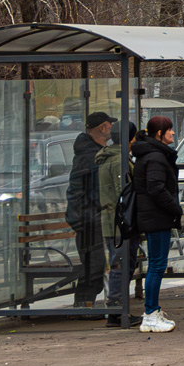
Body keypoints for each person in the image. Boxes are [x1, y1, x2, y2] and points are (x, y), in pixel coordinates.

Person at [132, 116, 181, 333]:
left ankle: (152, 311)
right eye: (169, 130)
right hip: (157, 217)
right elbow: (155, 188)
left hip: (154, 216)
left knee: (157, 264)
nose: (172, 134)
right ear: (159, 134)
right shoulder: (155, 157)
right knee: (157, 265)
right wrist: (175, 208)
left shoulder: (152, 155)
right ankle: (151, 313)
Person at [65, 111, 112, 308]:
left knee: (96, 264)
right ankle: (83, 303)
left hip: (94, 217)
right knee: (94, 264)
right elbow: (76, 189)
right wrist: (80, 218)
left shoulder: (95, 152)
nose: (112, 128)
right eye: (110, 125)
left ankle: (85, 304)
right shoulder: (89, 156)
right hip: (88, 220)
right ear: (102, 127)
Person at [97, 121, 138, 327]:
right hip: (118, 223)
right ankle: (116, 311)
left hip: (114, 221)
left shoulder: (112, 157)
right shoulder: (118, 161)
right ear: (129, 137)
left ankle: (118, 309)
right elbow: (123, 193)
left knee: (121, 263)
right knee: (120, 265)